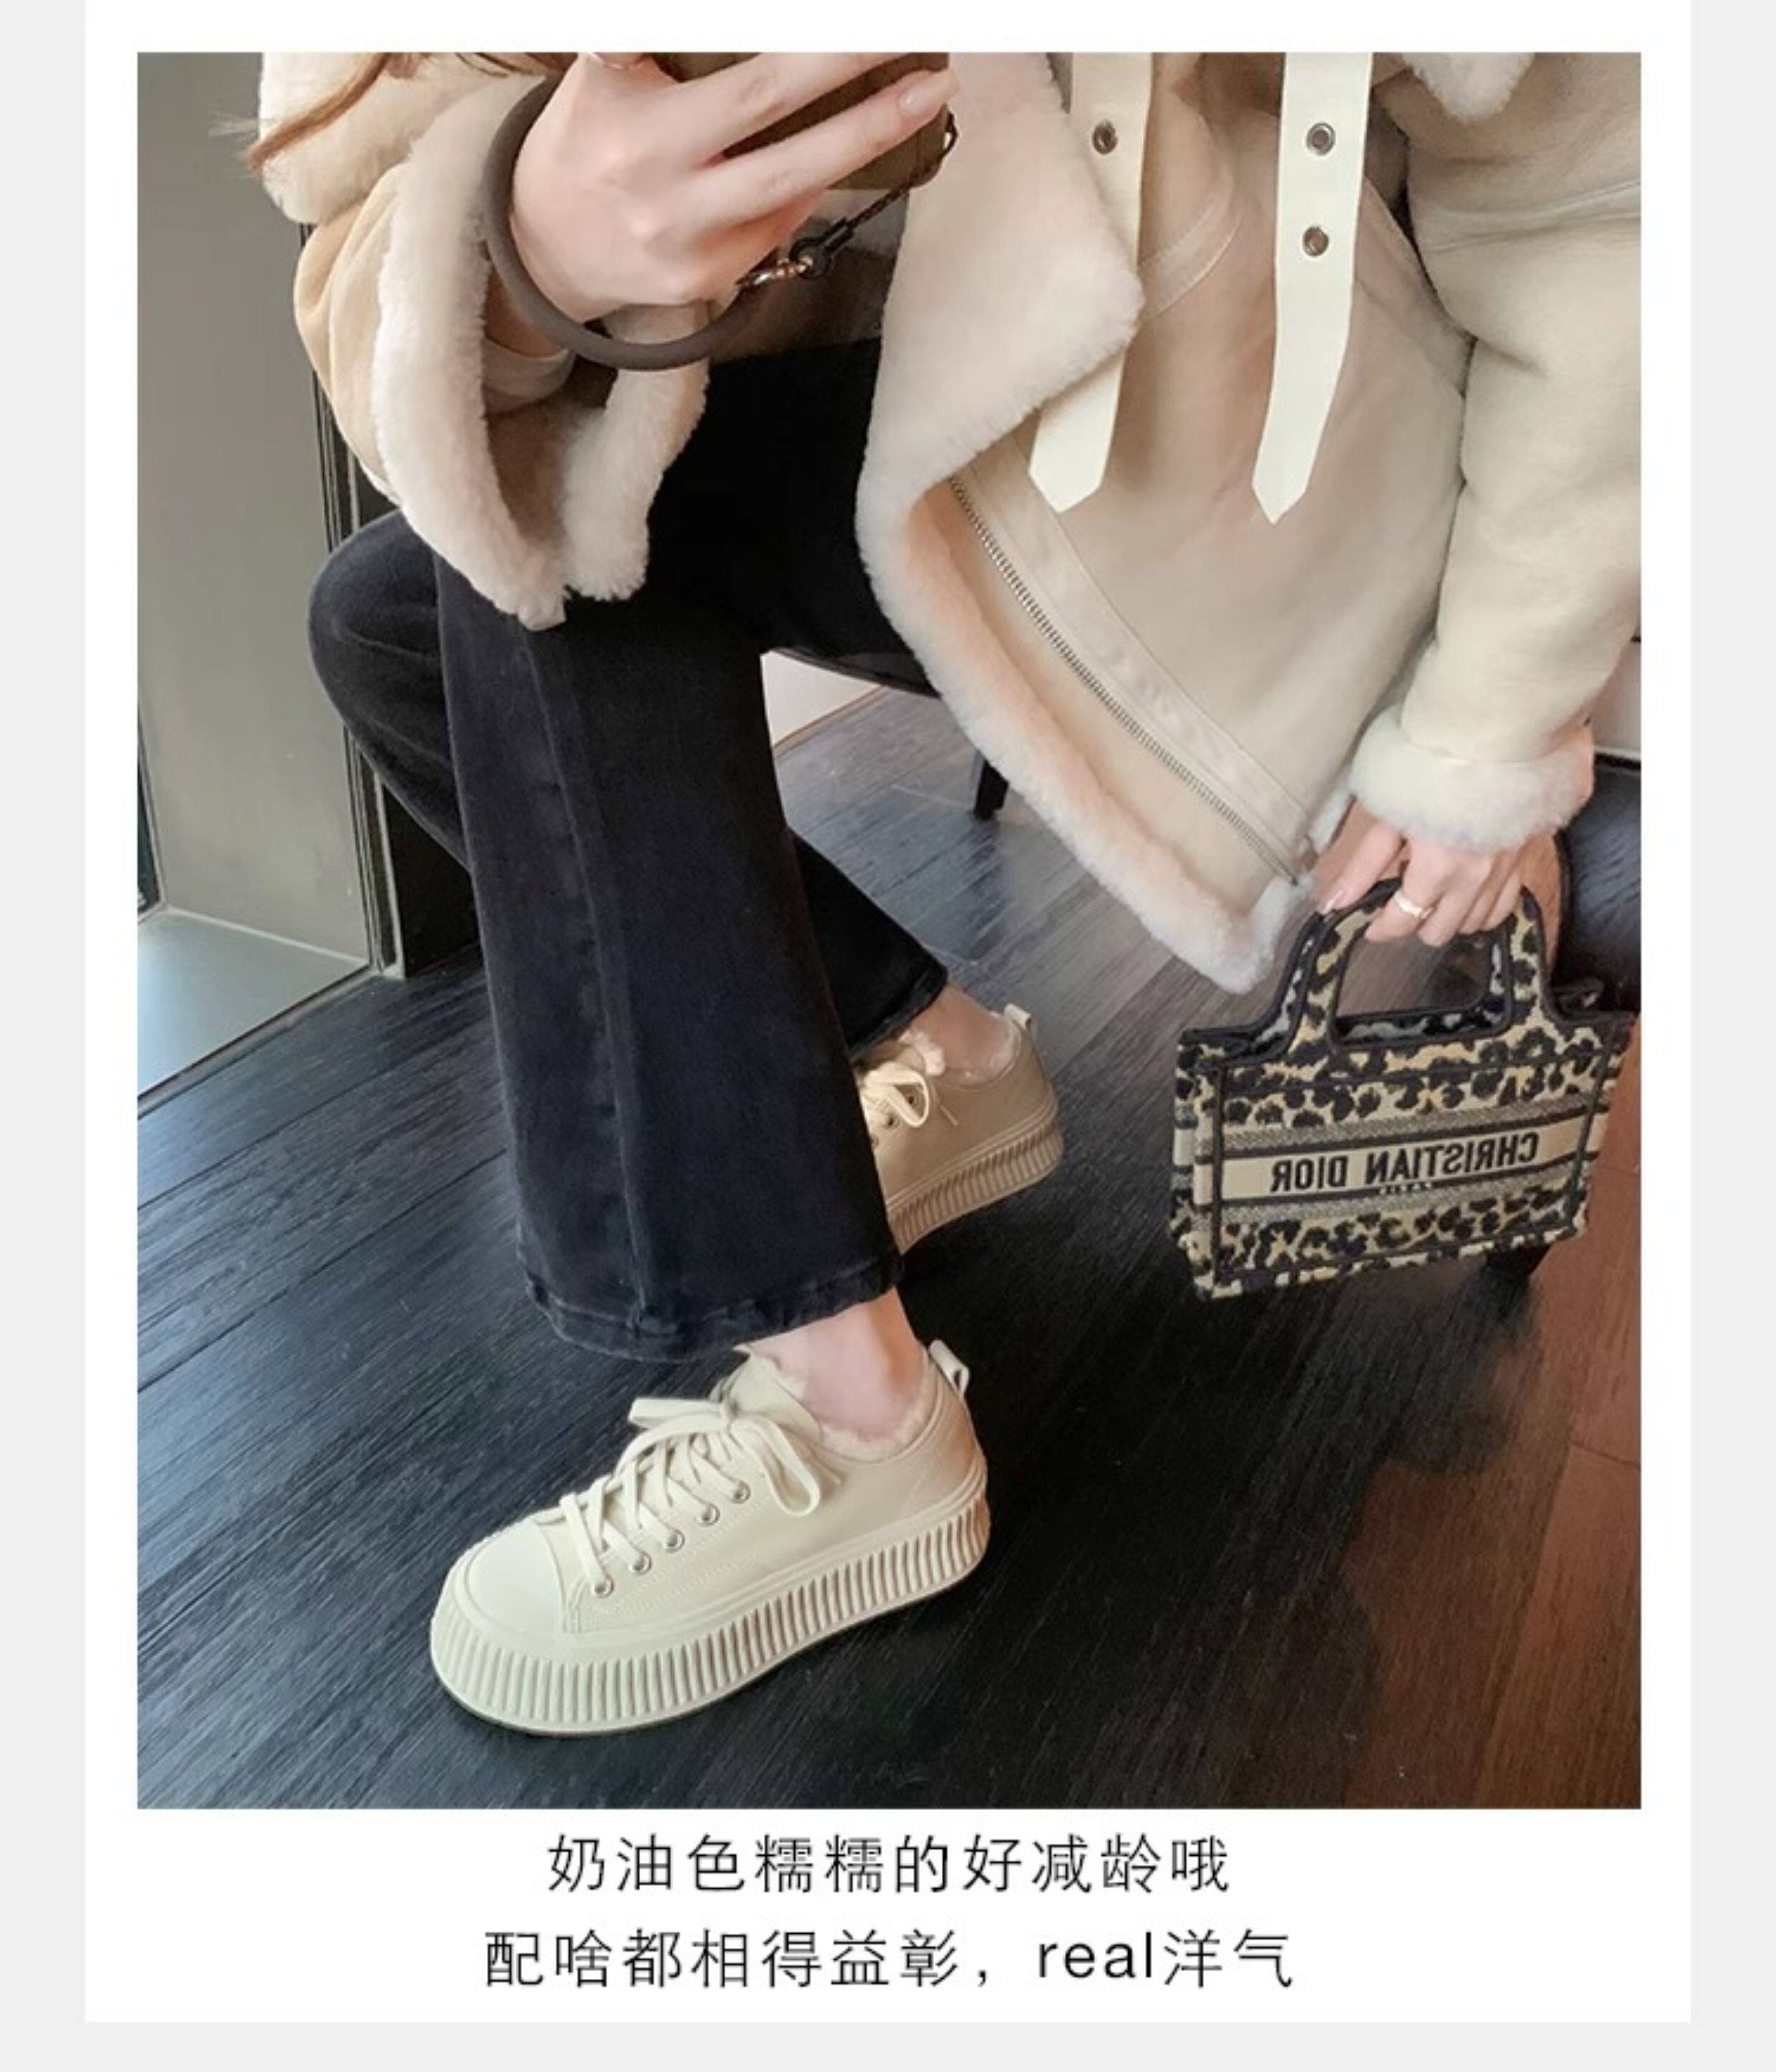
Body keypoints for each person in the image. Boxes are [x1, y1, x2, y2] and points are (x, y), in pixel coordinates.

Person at [250, 52, 1639, 1735]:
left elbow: (1600, 201)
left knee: (540, 572)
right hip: (926, 435)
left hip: (1243, 450)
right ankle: (940, 1051)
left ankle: (862, 1429)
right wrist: (521, 254)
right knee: (397, 606)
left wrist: (1495, 716)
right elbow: (361, 244)